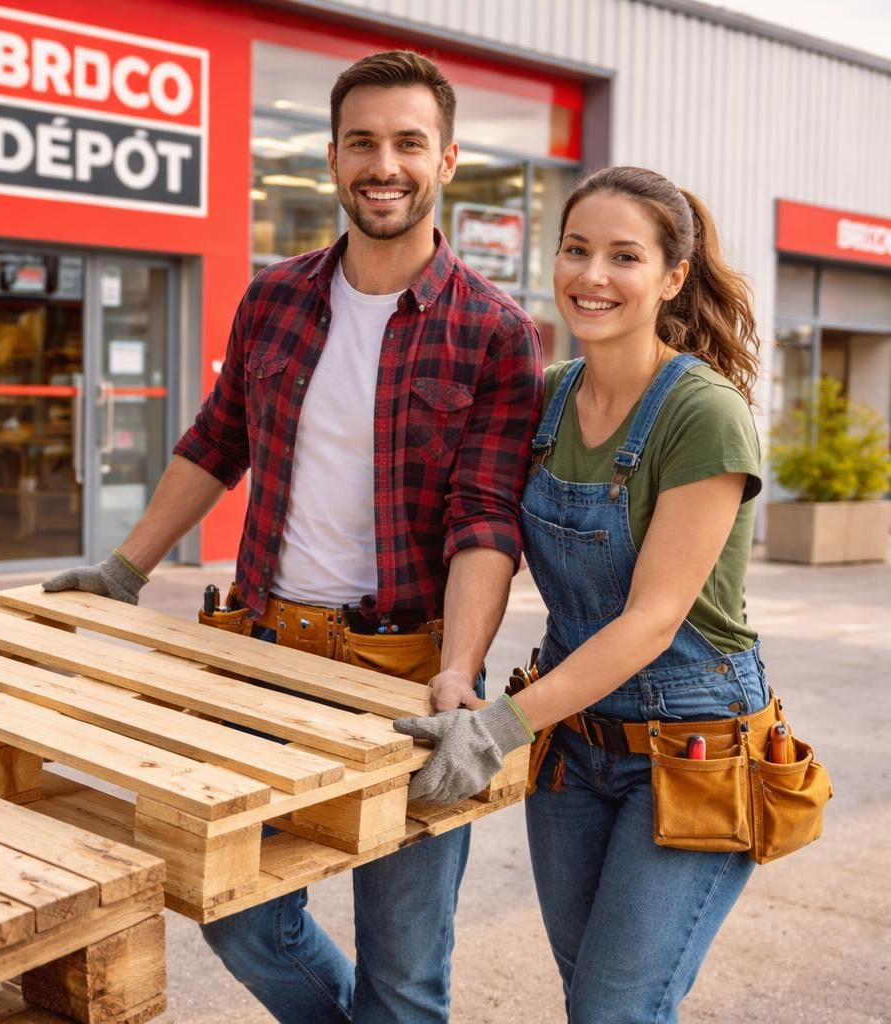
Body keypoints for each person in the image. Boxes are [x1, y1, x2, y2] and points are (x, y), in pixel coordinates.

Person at [43, 51, 543, 1023]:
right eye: (363, 142)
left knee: (404, 972)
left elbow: (486, 516)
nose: (383, 164)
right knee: (239, 916)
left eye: (407, 142)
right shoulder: (274, 298)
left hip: (403, 672)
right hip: (261, 655)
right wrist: (123, 567)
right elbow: (214, 442)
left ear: (446, 160)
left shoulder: (493, 329)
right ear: (331, 158)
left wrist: (460, 673)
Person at [395, 165, 768, 1022]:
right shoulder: (547, 396)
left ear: (673, 277)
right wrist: (461, 666)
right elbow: (485, 528)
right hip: (574, 745)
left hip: (692, 748)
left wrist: (500, 726)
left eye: (624, 256)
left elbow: (652, 619)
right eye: (576, 249)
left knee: (614, 1009)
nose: (592, 276)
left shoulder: (702, 413)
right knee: (591, 1001)